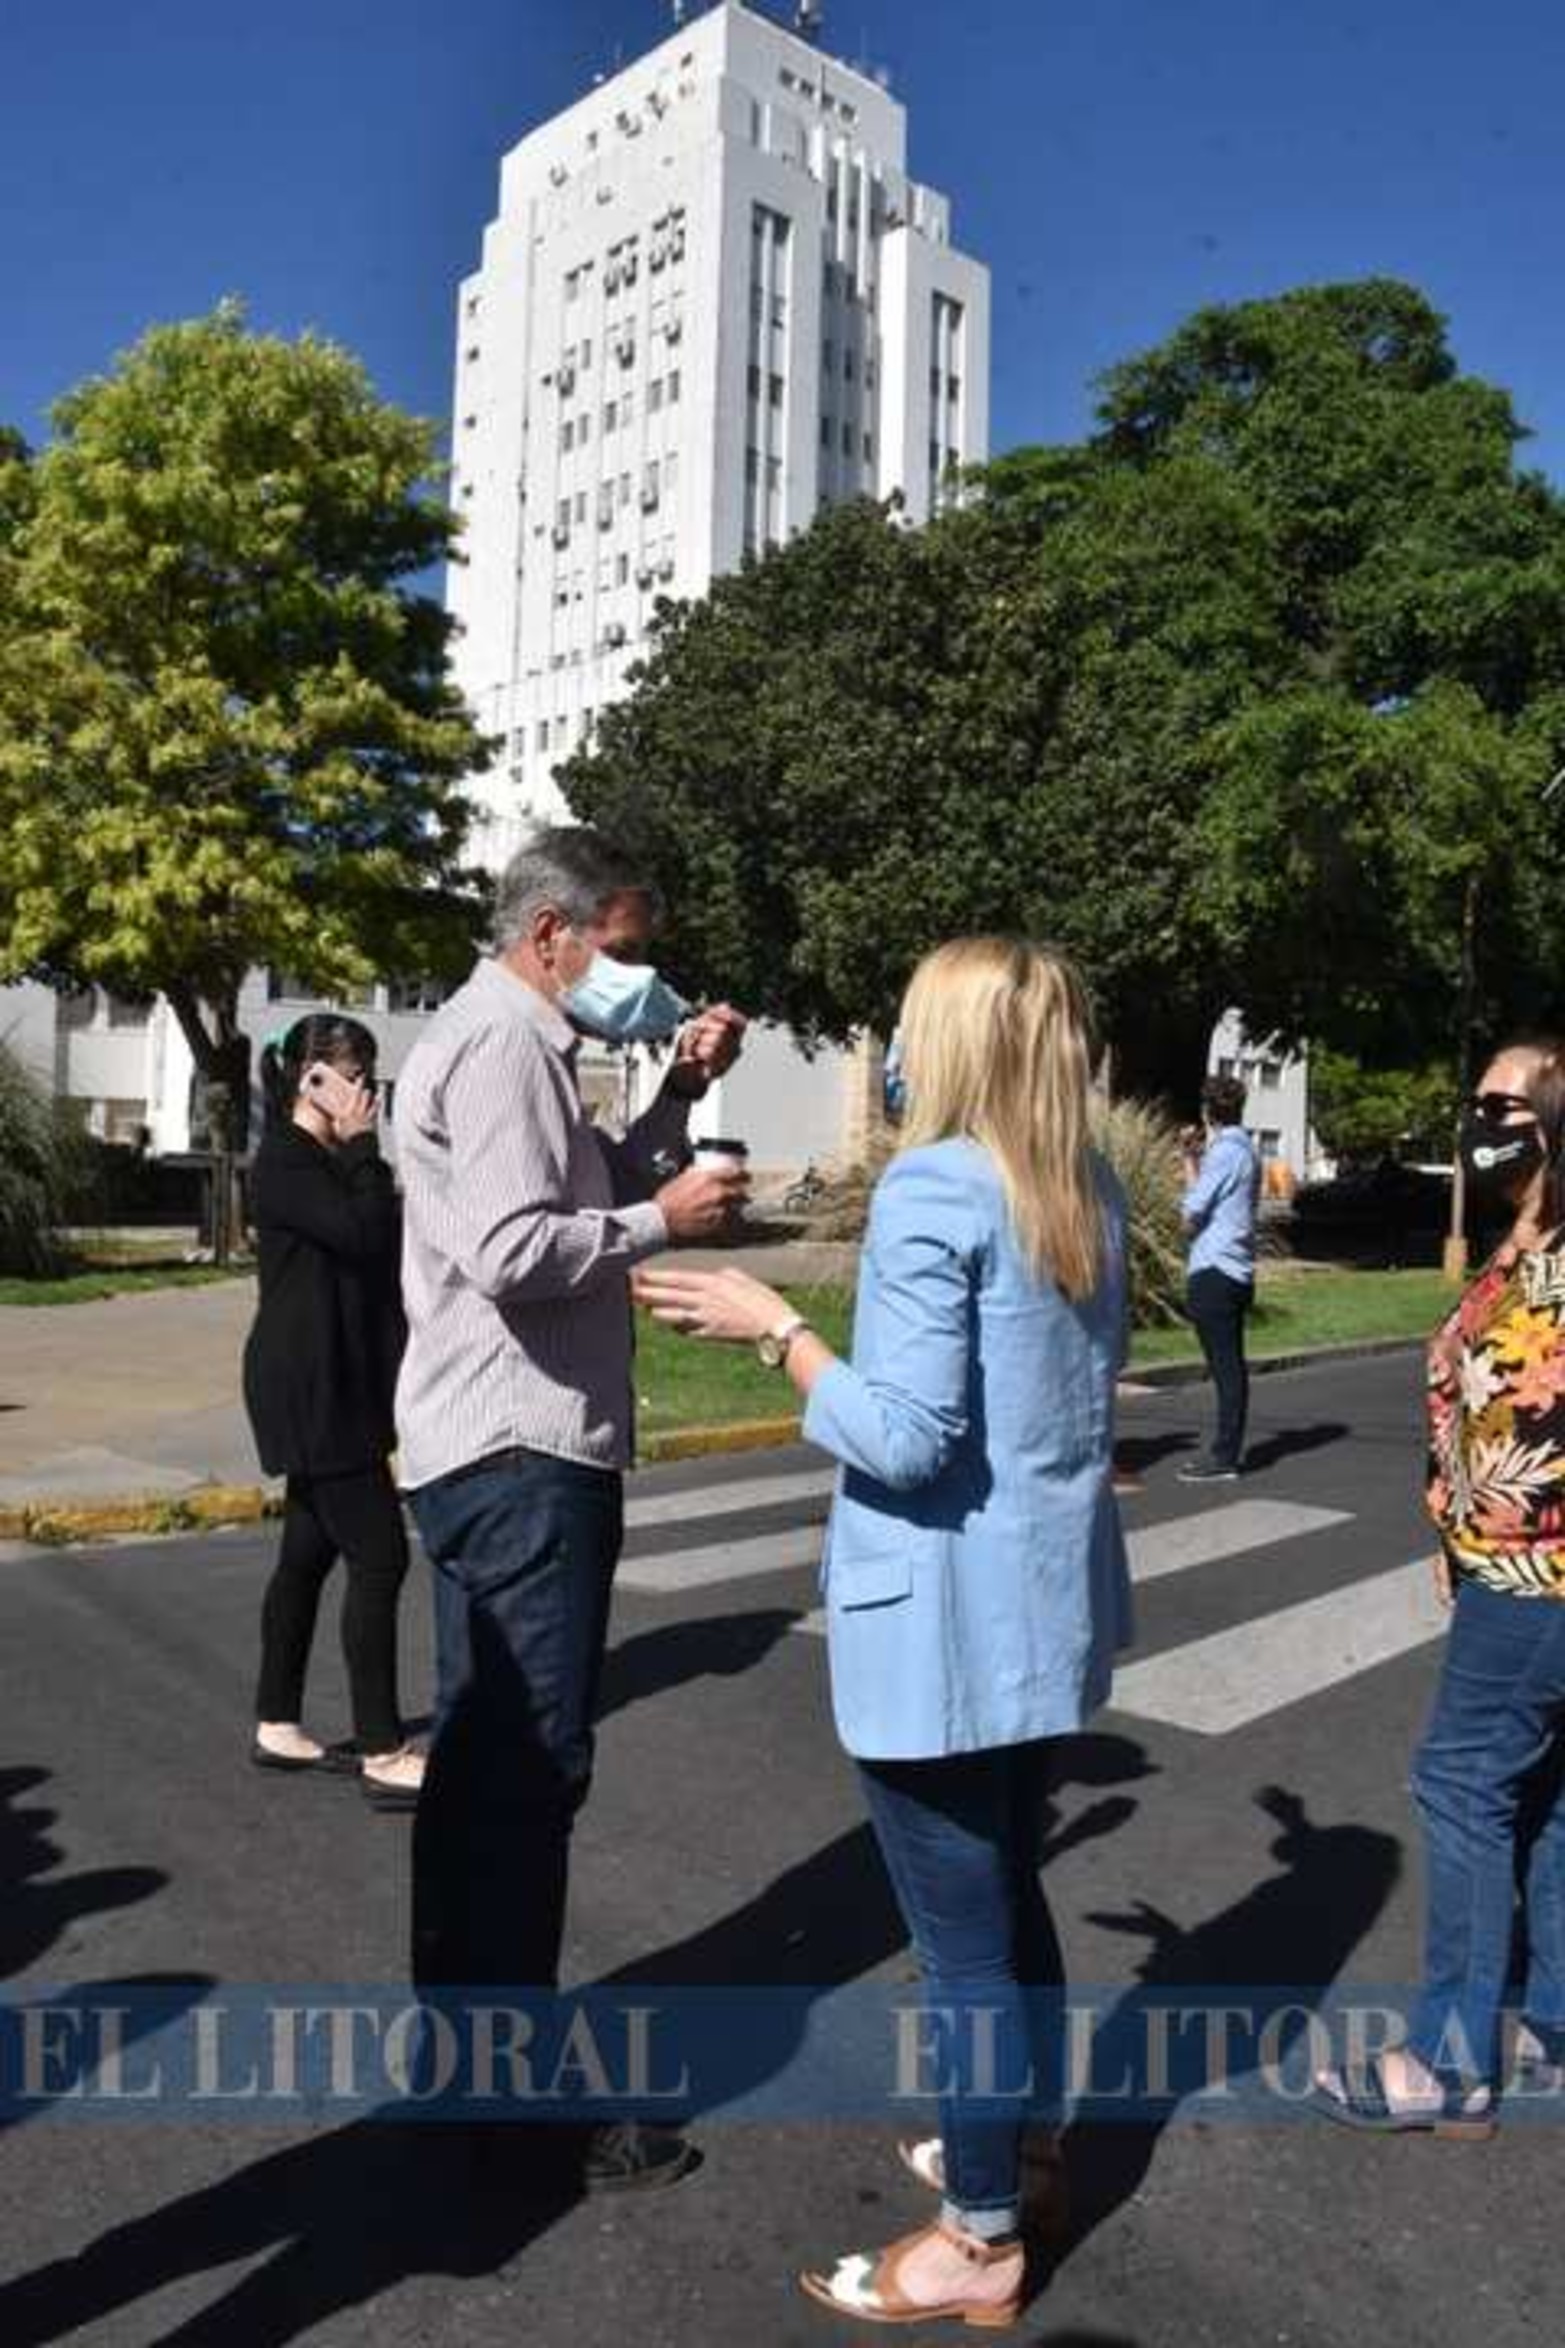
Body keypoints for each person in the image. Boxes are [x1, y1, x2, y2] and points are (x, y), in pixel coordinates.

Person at [637, 936, 1131, 2329]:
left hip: (941, 1630)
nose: (895, 1052)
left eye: (909, 1027)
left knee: (963, 1949)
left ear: (953, 1045)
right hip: (1042, 1614)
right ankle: (1023, 2155)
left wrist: (774, 1329)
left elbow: (905, 1438)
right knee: (1010, 1903)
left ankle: (979, 2234)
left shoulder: (935, 1185)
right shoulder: (1084, 1182)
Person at [394, 825, 748, 2193]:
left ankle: (467, 2074)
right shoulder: (501, 1046)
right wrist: (664, 1222)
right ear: (552, 934)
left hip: (495, 1452)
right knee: (524, 1781)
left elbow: (581, 1186)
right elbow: (513, 1249)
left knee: (484, 1776)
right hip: (520, 1455)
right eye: (624, 948)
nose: (637, 974)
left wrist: (677, 1090)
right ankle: (510, 2109)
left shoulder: (516, 1044)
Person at [1314, 1037, 1565, 2135]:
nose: (1476, 1118)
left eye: (1500, 1104)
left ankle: (1449, 2063)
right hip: (1501, 1563)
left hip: (1535, 1577)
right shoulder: (1525, 1237)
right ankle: (1550, 2023)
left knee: (1459, 1781)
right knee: (1542, 1795)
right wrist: (1445, 1519)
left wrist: (1486, 1530)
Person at [243, 1016, 423, 1810]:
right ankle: (383, 1750)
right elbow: (362, 1233)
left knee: (306, 1556)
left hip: (335, 1380)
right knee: (380, 1556)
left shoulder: (320, 1159)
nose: (364, 1090)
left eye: (367, 1073)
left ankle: (276, 1723)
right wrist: (363, 1148)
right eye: (352, 1074)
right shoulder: (286, 1160)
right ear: (310, 1077)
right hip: (312, 1385)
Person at [1178, 1071, 1261, 1483]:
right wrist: (1190, 1159)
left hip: (1216, 1269)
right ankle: (1226, 1451)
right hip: (1235, 1269)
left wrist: (1186, 1221)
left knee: (1226, 1369)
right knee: (1230, 1366)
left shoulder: (1226, 1152)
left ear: (1209, 1111)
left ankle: (1225, 1457)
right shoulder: (1244, 1149)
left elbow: (1191, 1212)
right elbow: (1210, 1201)